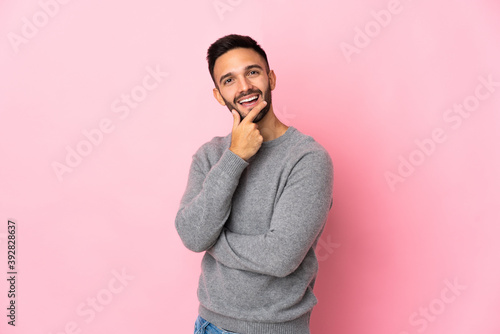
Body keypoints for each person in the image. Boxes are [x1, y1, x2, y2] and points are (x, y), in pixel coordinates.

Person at [175, 34, 334, 334]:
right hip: (209, 325)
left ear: (271, 78)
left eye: (252, 72)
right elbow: (192, 235)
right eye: (229, 80)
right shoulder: (210, 156)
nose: (244, 87)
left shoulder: (308, 159)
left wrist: (212, 239)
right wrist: (236, 157)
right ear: (218, 94)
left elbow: (281, 257)